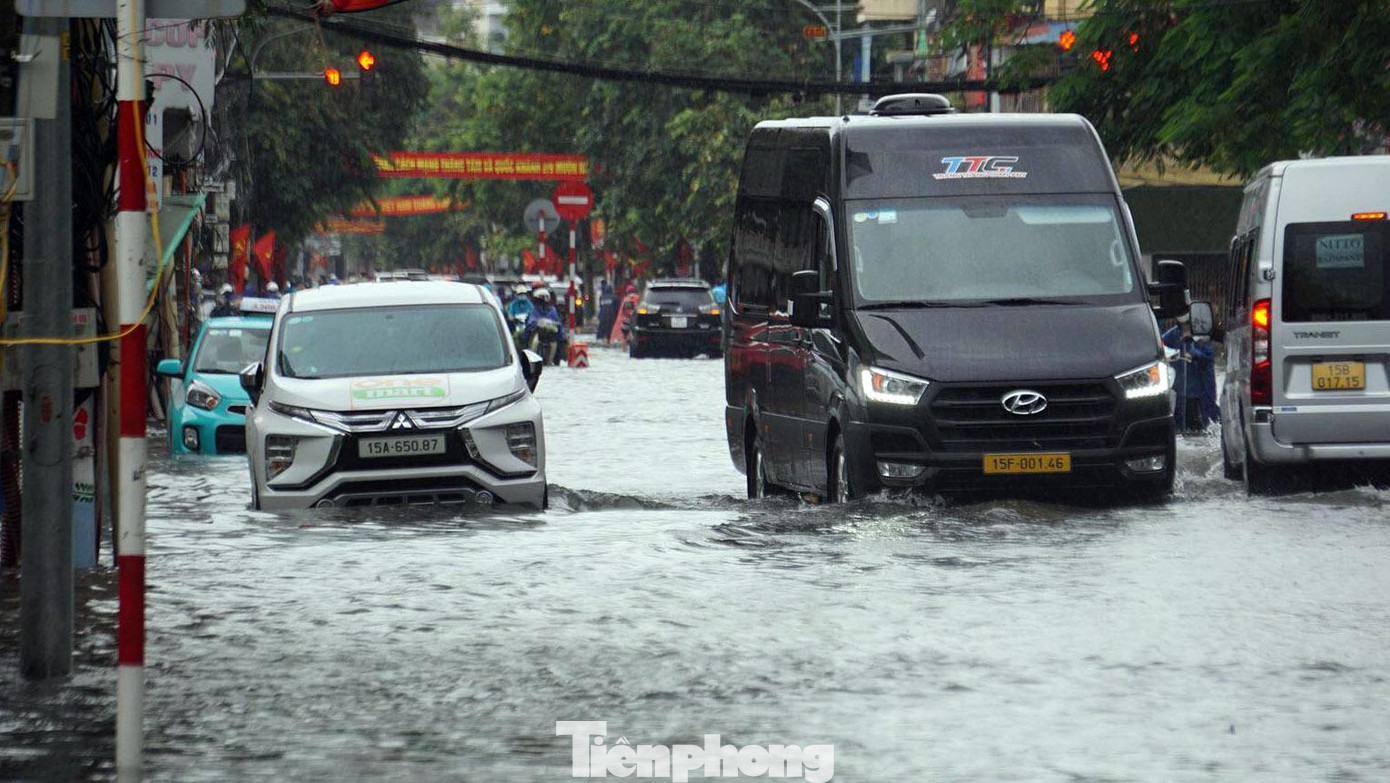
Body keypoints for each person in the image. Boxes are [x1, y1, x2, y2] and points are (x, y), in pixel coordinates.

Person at [523, 288, 567, 362]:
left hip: (551, 334)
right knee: (534, 342)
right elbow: (531, 322)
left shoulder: (553, 310)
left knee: (555, 344)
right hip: (537, 333)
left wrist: (556, 326)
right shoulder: (534, 310)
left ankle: (552, 359)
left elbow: (557, 321)